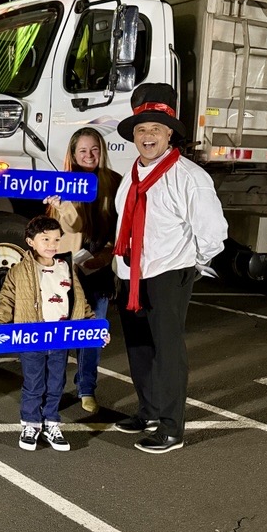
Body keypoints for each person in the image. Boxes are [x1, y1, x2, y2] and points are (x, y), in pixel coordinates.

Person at [112, 83, 228, 454]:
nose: (148, 136)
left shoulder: (190, 177)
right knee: (140, 347)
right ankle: (147, 411)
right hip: (130, 275)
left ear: (169, 135)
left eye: (156, 129)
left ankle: (170, 426)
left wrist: (191, 266)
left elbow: (213, 233)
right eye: (141, 130)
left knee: (167, 350)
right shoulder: (130, 174)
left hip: (167, 273)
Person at [0, 216, 98, 452]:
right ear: (30, 241)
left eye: (56, 240)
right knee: (34, 383)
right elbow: (6, 303)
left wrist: (95, 329)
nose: (52, 244)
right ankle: (31, 424)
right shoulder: (18, 271)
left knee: (56, 382)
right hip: (32, 338)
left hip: (60, 338)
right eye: (45, 239)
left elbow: (80, 302)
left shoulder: (66, 268)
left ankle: (51, 423)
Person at [44, 128, 123, 414]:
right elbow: (70, 227)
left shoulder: (114, 182)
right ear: (73, 154)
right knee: (61, 333)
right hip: (66, 269)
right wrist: (61, 205)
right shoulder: (60, 184)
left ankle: (87, 388)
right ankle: (53, 388)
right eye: (83, 151)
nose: (89, 156)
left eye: (94, 150)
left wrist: (105, 256)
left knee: (91, 334)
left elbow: (121, 226)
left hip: (99, 268)